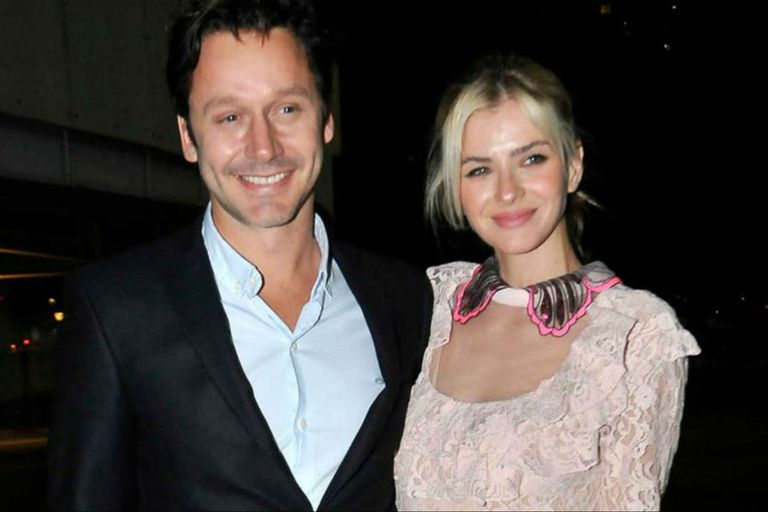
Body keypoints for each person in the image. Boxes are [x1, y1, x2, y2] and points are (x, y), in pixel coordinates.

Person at [48, 1, 429, 510]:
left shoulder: (406, 299)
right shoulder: (116, 311)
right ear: (188, 137)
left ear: (326, 120)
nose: (263, 147)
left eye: (287, 109)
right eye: (229, 117)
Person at [394, 53, 700, 511]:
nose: (507, 191)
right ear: (455, 186)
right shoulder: (431, 304)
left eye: (532, 159)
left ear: (573, 165)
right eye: (479, 169)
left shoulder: (636, 335)